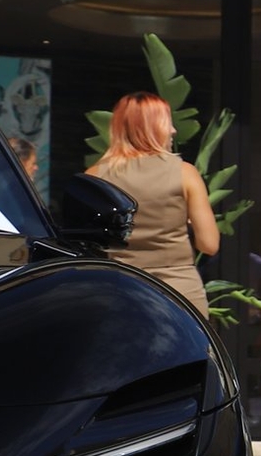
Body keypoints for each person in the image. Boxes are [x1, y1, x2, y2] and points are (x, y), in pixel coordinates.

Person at [89, 92, 218, 316]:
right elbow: (209, 244)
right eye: (167, 123)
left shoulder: (95, 176)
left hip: (120, 289)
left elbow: (89, 244)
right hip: (179, 293)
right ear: (150, 127)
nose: (173, 131)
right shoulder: (184, 173)